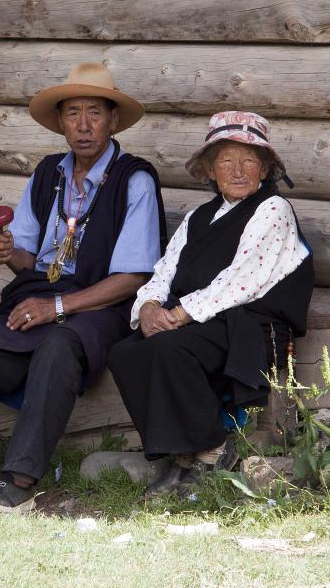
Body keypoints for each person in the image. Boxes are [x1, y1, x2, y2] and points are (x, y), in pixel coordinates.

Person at [0, 63, 166, 513]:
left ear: (113, 120)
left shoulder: (134, 180)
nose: (83, 126)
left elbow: (133, 277)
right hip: (42, 300)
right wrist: (10, 253)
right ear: (60, 122)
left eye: (94, 113)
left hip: (99, 309)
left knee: (58, 349)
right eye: (72, 114)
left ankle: (18, 478)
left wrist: (60, 307)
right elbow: (32, 262)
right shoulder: (50, 174)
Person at [107, 111, 314, 496]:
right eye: (225, 160)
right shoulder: (197, 217)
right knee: (125, 353)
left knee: (169, 348)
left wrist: (179, 314)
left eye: (249, 159)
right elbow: (165, 271)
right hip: (202, 322)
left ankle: (213, 447)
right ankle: (185, 452)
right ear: (209, 169)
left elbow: (241, 281)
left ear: (265, 168)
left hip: (250, 325)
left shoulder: (273, 210)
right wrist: (149, 307)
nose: (237, 170)